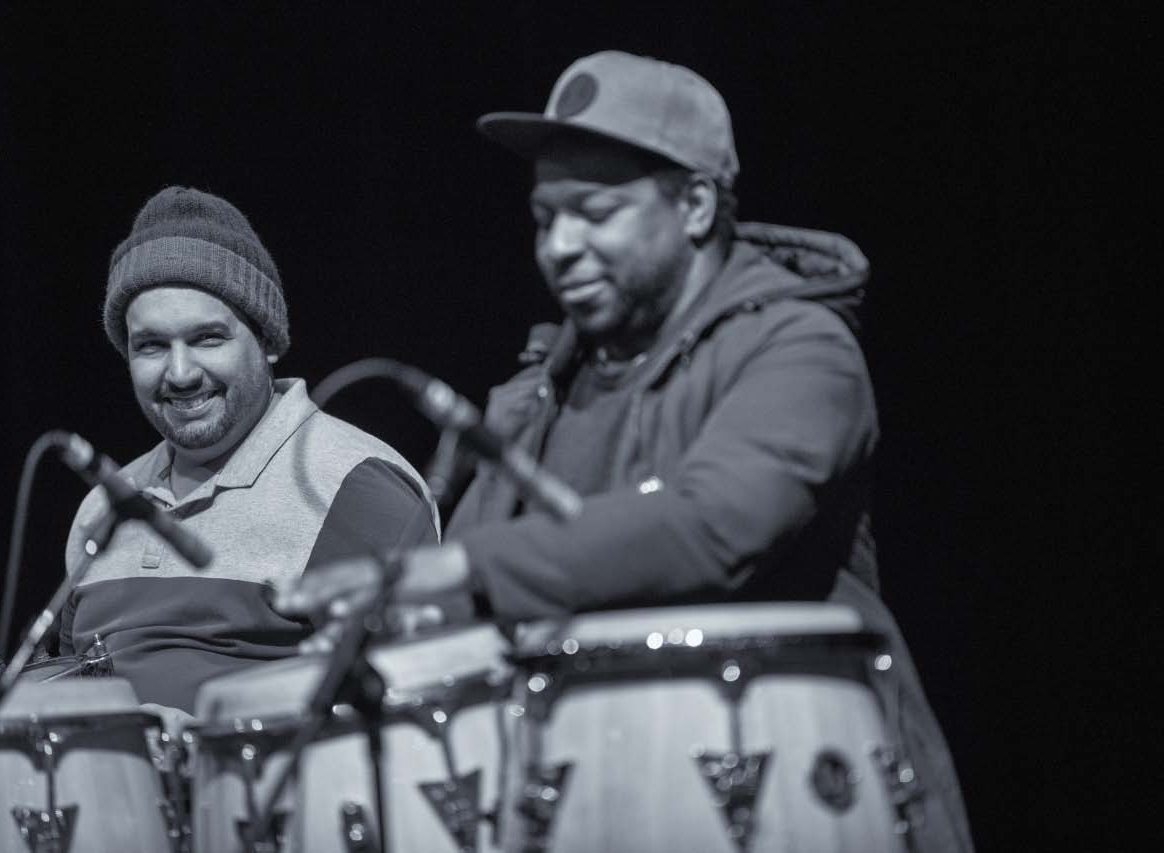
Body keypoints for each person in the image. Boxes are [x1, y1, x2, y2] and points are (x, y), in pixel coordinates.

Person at [278, 51, 972, 850]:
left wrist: (452, 572)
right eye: (545, 218)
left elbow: (714, 525)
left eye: (596, 212)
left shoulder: (799, 348)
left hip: (794, 787)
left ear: (697, 206)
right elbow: (472, 580)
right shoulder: (540, 389)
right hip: (594, 787)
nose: (560, 246)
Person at [59, 186, 440, 725]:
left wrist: (198, 739)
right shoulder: (102, 506)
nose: (181, 373)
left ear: (267, 341)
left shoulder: (355, 486)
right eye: (150, 346)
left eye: (208, 338)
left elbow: (413, 709)